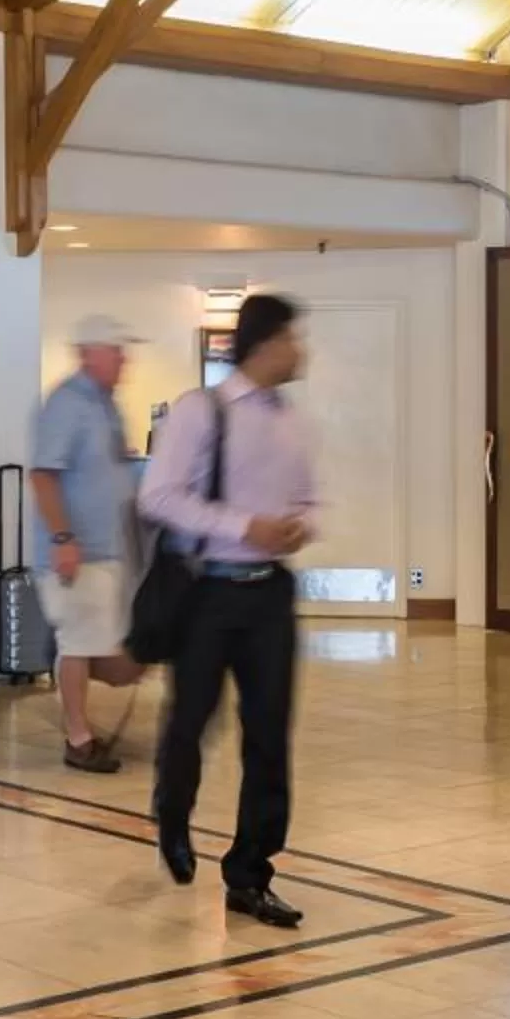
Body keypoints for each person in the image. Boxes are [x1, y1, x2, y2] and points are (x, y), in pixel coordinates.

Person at [139, 293, 314, 930]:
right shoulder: (201, 411)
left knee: (269, 734)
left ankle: (249, 874)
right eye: (295, 338)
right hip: (207, 591)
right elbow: (157, 495)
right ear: (266, 343)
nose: (303, 351)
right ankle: (173, 811)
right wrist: (245, 525)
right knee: (192, 720)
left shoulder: (292, 419)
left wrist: (298, 527)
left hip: (270, 594)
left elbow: (309, 499)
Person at [30, 315, 149, 773]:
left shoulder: (106, 404)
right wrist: (63, 538)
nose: (125, 360)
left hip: (109, 549)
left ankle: (63, 664)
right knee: (81, 643)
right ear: (89, 353)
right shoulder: (66, 403)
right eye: (116, 351)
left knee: (117, 656)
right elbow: (43, 475)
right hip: (77, 552)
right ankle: (78, 739)